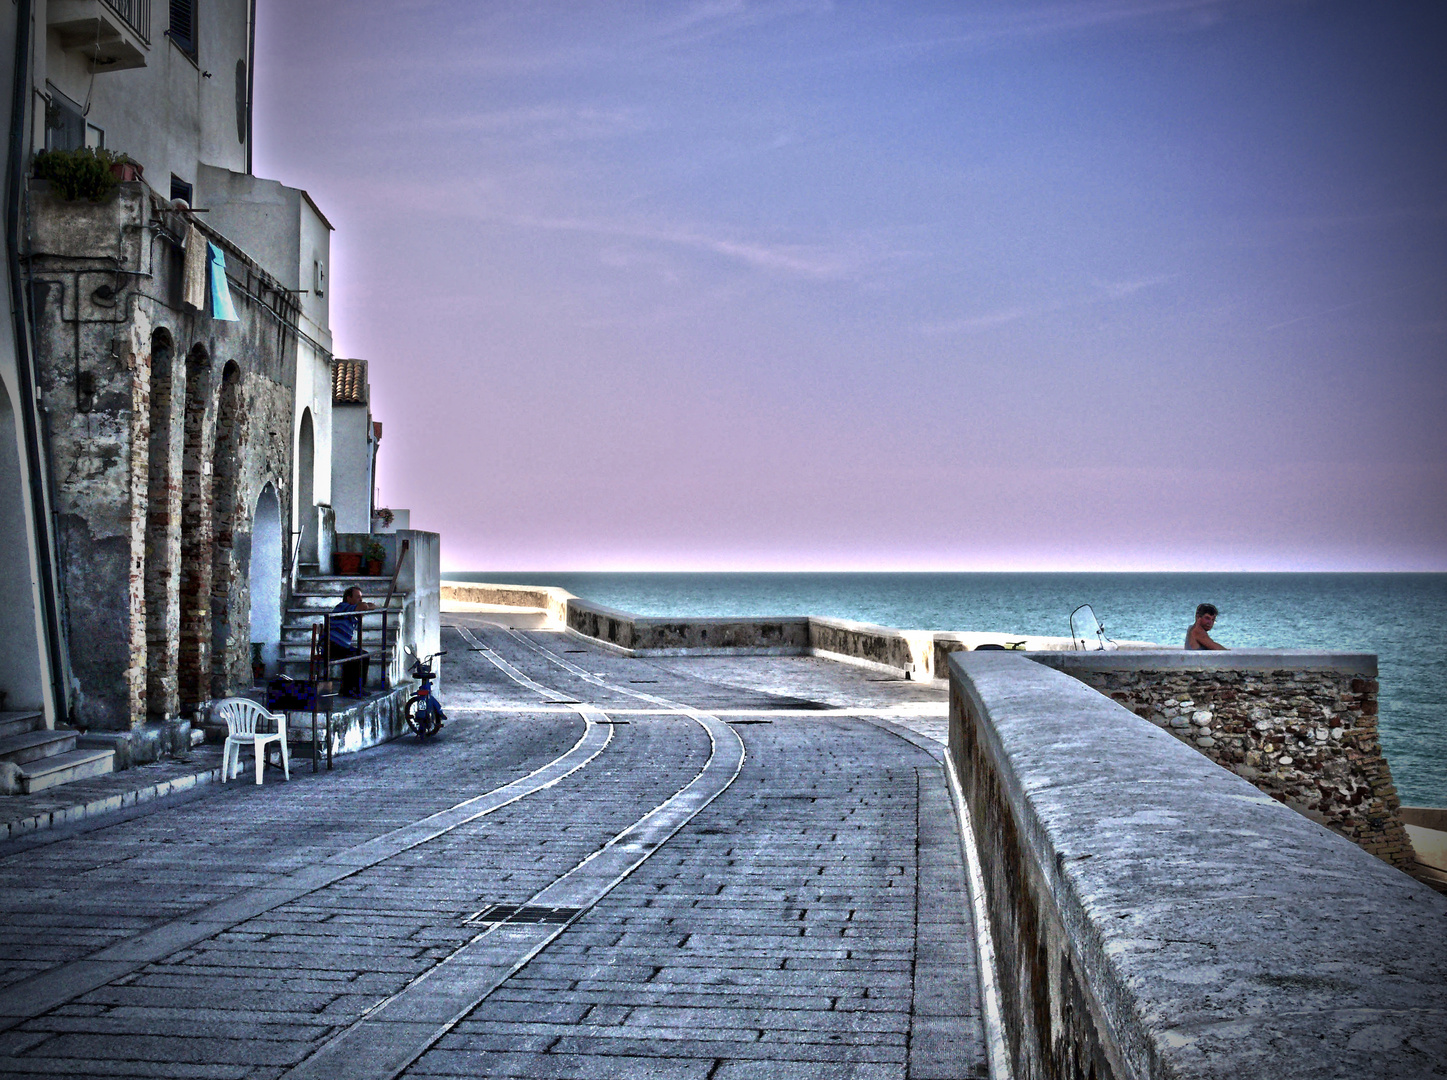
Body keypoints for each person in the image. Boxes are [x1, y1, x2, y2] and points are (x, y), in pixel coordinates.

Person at [329, 586, 376, 696]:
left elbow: (372, 606)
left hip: (342, 646)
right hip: (331, 645)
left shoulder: (352, 611)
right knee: (353, 656)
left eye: (361, 597)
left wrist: (365, 605)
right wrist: (364, 605)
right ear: (349, 598)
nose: (360, 599)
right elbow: (364, 606)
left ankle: (359, 687)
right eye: (358, 597)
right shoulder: (342, 607)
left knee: (364, 655)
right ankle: (347, 689)